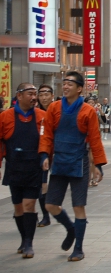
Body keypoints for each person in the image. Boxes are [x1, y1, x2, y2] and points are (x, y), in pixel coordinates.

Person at [39, 71, 107, 262]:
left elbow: (95, 139)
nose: (66, 86)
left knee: (79, 206)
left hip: (79, 163)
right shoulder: (53, 108)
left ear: (79, 88)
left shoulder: (87, 111)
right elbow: (47, 135)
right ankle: (70, 228)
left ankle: (78, 248)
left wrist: (98, 165)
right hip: (59, 161)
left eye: (70, 83)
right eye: (64, 82)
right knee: (50, 205)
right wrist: (44, 155)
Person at [0, 83, 46, 258]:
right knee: (18, 207)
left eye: (35, 94)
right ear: (19, 96)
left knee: (29, 205)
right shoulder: (5, 117)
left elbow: (47, 139)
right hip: (14, 167)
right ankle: (23, 238)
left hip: (34, 167)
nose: (34, 98)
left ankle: (29, 243)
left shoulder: (42, 116)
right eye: (30, 94)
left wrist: (45, 157)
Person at [36, 84, 54, 228]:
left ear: (52, 96)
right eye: (41, 95)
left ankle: (56, 211)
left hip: (58, 153)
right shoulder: (35, 112)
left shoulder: (57, 110)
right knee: (42, 185)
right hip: (42, 154)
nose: (44, 98)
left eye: (46, 94)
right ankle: (46, 216)